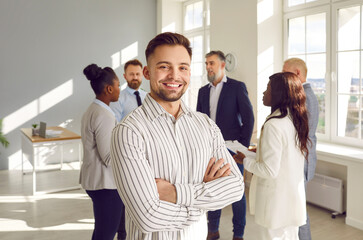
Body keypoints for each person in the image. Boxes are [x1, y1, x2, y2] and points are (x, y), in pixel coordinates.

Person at [110, 32, 244, 240]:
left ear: (190, 72)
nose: (174, 76)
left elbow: (235, 187)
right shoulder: (128, 132)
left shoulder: (206, 126)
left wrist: (175, 193)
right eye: (164, 67)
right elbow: (147, 216)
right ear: (147, 72)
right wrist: (203, 199)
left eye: (183, 67)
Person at [234, 72, 309, 239]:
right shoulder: (294, 120)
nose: (263, 92)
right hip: (291, 200)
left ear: (279, 94)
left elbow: (269, 170)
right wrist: (255, 154)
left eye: (268, 88)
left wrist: (244, 160)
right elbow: (283, 161)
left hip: (276, 204)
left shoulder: (273, 125)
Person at [196, 50, 254, 240]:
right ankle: (213, 231)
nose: (208, 67)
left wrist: (242, 147)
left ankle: (239, 234)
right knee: (213, 188)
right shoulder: (202, 91)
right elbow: (199, 120)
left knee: (237, 192)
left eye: (211, 63)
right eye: (206, 63)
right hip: (209, 149)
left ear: (222, 65)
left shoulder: (237, 87)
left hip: (233, 148)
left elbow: (248, 118)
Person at [80, 64, 126, 240]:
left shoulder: (93, 109)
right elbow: (108, 156)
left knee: (105, 228)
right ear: (108, 89)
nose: (119, 90)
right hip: (105, 184)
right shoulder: (103, 115)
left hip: (97, 181)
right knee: (105, 233)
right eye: (118, 85)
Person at [283, 58, 319, 240]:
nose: (283, 78)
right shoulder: (301, 95)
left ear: (297, 73)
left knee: (299, 212)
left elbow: (301, 134)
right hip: (301, 159)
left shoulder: (306, 96)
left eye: (285, 73)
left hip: (302, 161)